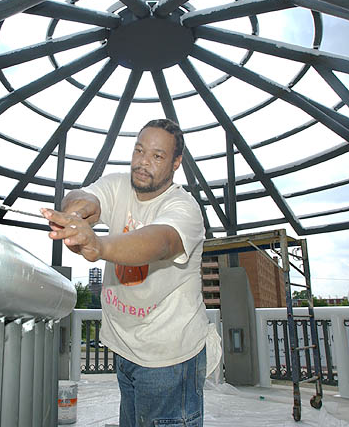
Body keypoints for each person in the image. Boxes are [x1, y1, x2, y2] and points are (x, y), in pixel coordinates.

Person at [41, 118, 220, 427]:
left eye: (157, 155)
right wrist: (73, 215)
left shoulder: (184, 207)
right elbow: (86, 197)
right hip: (126, 350)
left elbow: (161, 241)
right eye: (139, 150)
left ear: (176, 162)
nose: (143, 162)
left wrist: (98, 245)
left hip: (170, 359)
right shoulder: (118, 184)